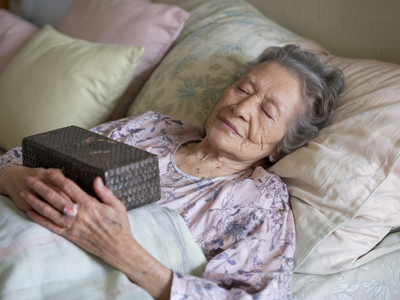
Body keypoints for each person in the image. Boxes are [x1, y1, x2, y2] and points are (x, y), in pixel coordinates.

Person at [0, 44, 344, 299]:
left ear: (281, 147)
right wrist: (19, 182)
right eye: (243, 88)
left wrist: (120, 248)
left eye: (267, 112)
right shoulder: (153, 127)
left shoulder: (261, 204)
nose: (240, 108)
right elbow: (18, 159)